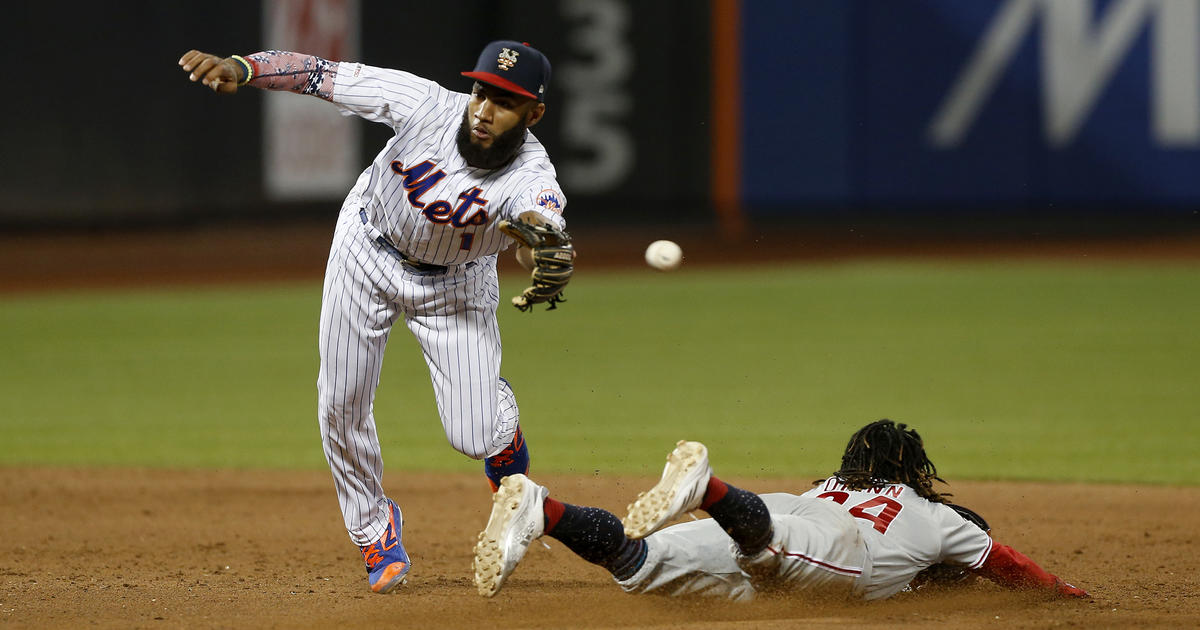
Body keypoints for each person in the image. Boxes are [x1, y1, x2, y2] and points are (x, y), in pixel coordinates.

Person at [179, 40, 575, 594]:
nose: (484, 110)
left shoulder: (531, 173)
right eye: (482, 91)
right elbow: (320, 74)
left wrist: (544, 249)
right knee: (340, 400)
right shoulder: (426, 104)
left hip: (455, 285)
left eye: (505, 102)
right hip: (366, 247)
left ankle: (501, 440)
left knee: (475, 431)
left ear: (533, 113)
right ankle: (374, 529)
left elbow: (538, 228)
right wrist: (243, 69)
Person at [473, 419, 1090, 601]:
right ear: (914, 473)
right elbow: (1002, 558)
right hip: (840, 550)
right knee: (768, 556)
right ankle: (707, 489)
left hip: (783, 509)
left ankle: (543, 510)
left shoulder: (826, 485)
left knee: (637, 565)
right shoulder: (936, 516)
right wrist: (1061, 593)